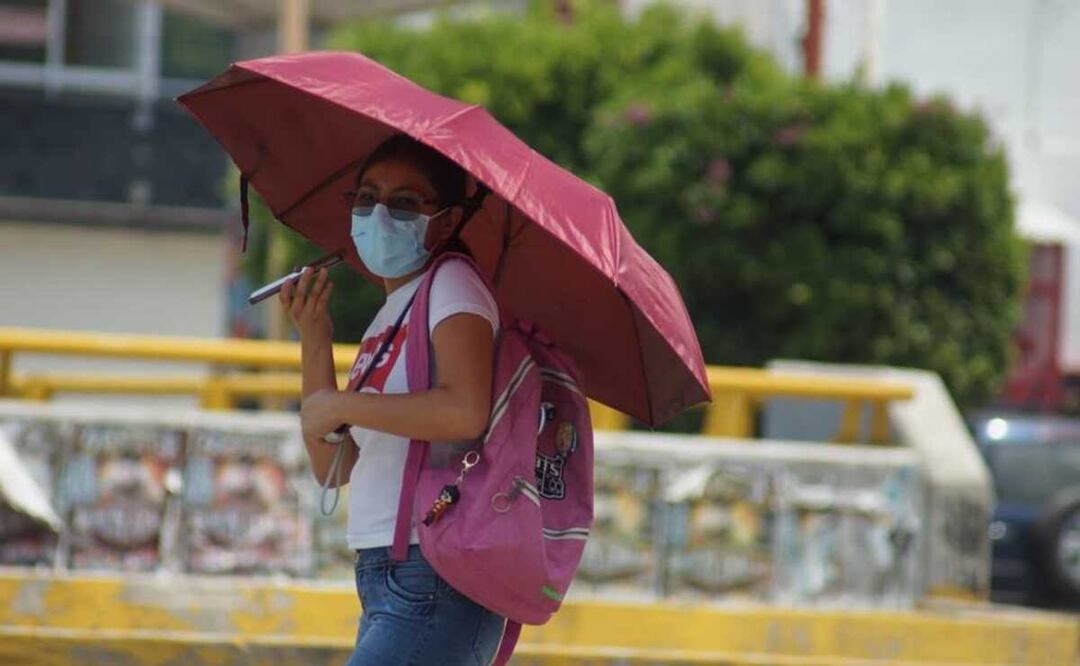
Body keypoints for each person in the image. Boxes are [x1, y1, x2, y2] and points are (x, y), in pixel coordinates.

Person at [279, 135, 506, 665]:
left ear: (445, 222)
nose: (379, 213)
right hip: (386, 569)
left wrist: (343, 407)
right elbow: (334, 467)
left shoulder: (454, 287)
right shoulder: (391, 314)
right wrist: (315, 338)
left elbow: (464, 411)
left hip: (432, 572)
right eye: (366, 197)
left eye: (404, 202)